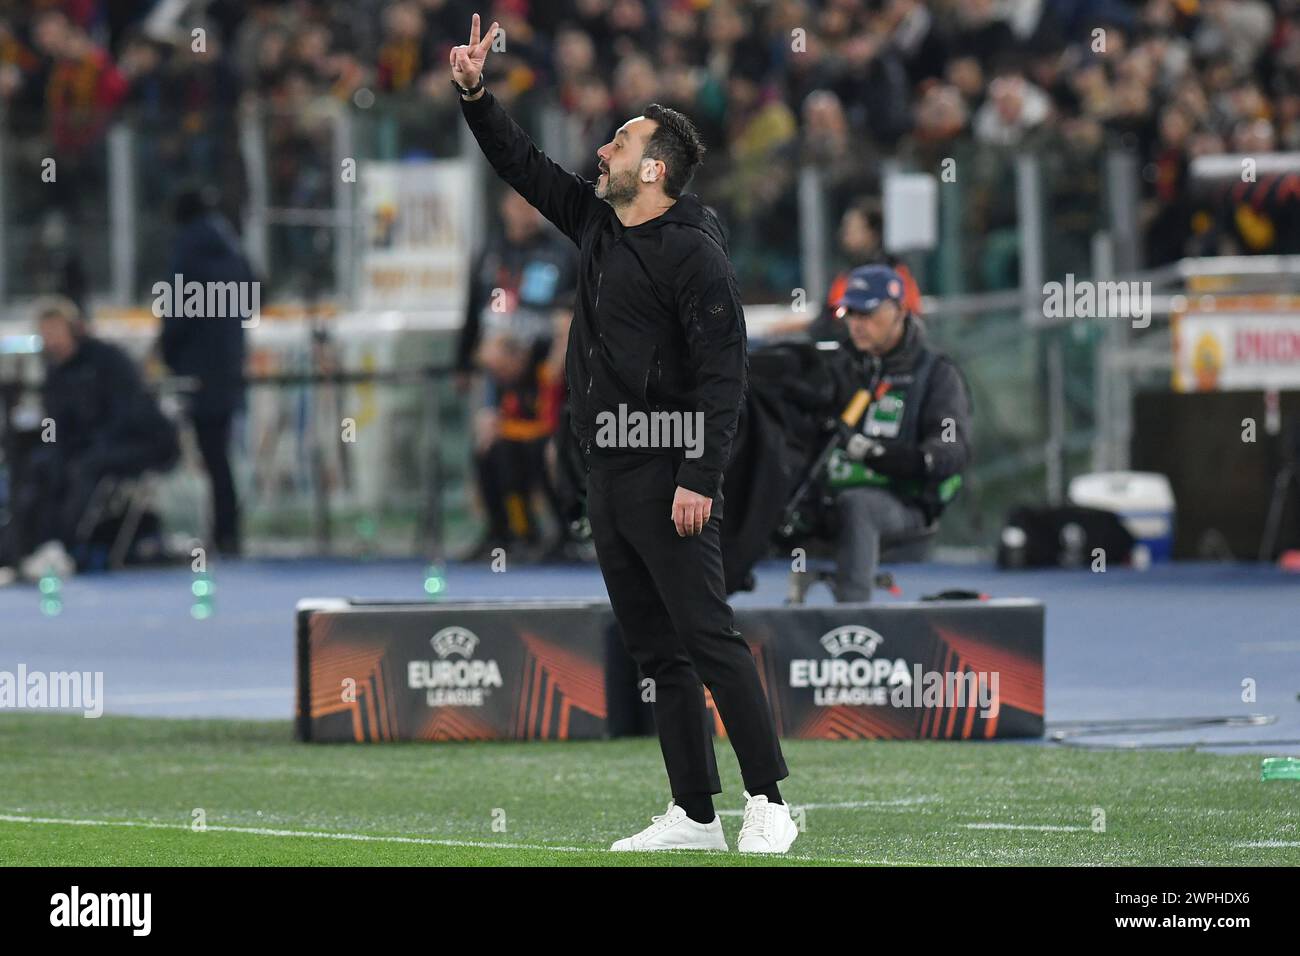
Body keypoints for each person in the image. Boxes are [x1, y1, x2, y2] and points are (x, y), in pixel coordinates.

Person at [452, 14, 795, 854]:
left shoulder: (694, 254)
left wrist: (699, 478)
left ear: (652, 167)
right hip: (603, 470)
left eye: (618, 139)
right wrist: (475, 94)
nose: (600, 150)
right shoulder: (600, 223)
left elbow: (724, 377)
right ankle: (695, 814)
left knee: (709, 638)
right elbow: (521, 166)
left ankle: (771, 801)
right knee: (657, 653)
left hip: (669, 471)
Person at [1, 298, 179, 581]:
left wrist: (86, 444)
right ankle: (18, 550)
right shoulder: (54, 372)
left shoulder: (108, 359)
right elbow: (58, 423)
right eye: (46, 333)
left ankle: (67, 547)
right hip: (89, 445)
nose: (52, 339)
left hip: (142, 442)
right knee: (42, 465)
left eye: (56, 331)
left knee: (83, 467)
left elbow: (128, 413)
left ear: (74, 329)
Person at [824, 265, 971, 601]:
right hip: (829, 489)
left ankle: (852, 621)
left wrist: (883, 457)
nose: (856, 324)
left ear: (900, 311)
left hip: (905, 500)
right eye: (850, 313)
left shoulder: (937, 373)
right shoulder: (838, 365)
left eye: (868, 313)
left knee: (857, 504)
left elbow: (951, 449)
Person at [158, 188, 255, 557]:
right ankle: (229, 531)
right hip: (229, 364)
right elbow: (255, 292)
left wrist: (170, 351)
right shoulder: (231, 248)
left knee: (211, 454)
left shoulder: (187, 252)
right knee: (221, 455)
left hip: (197, 370)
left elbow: (177, 311)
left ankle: (221, 533)